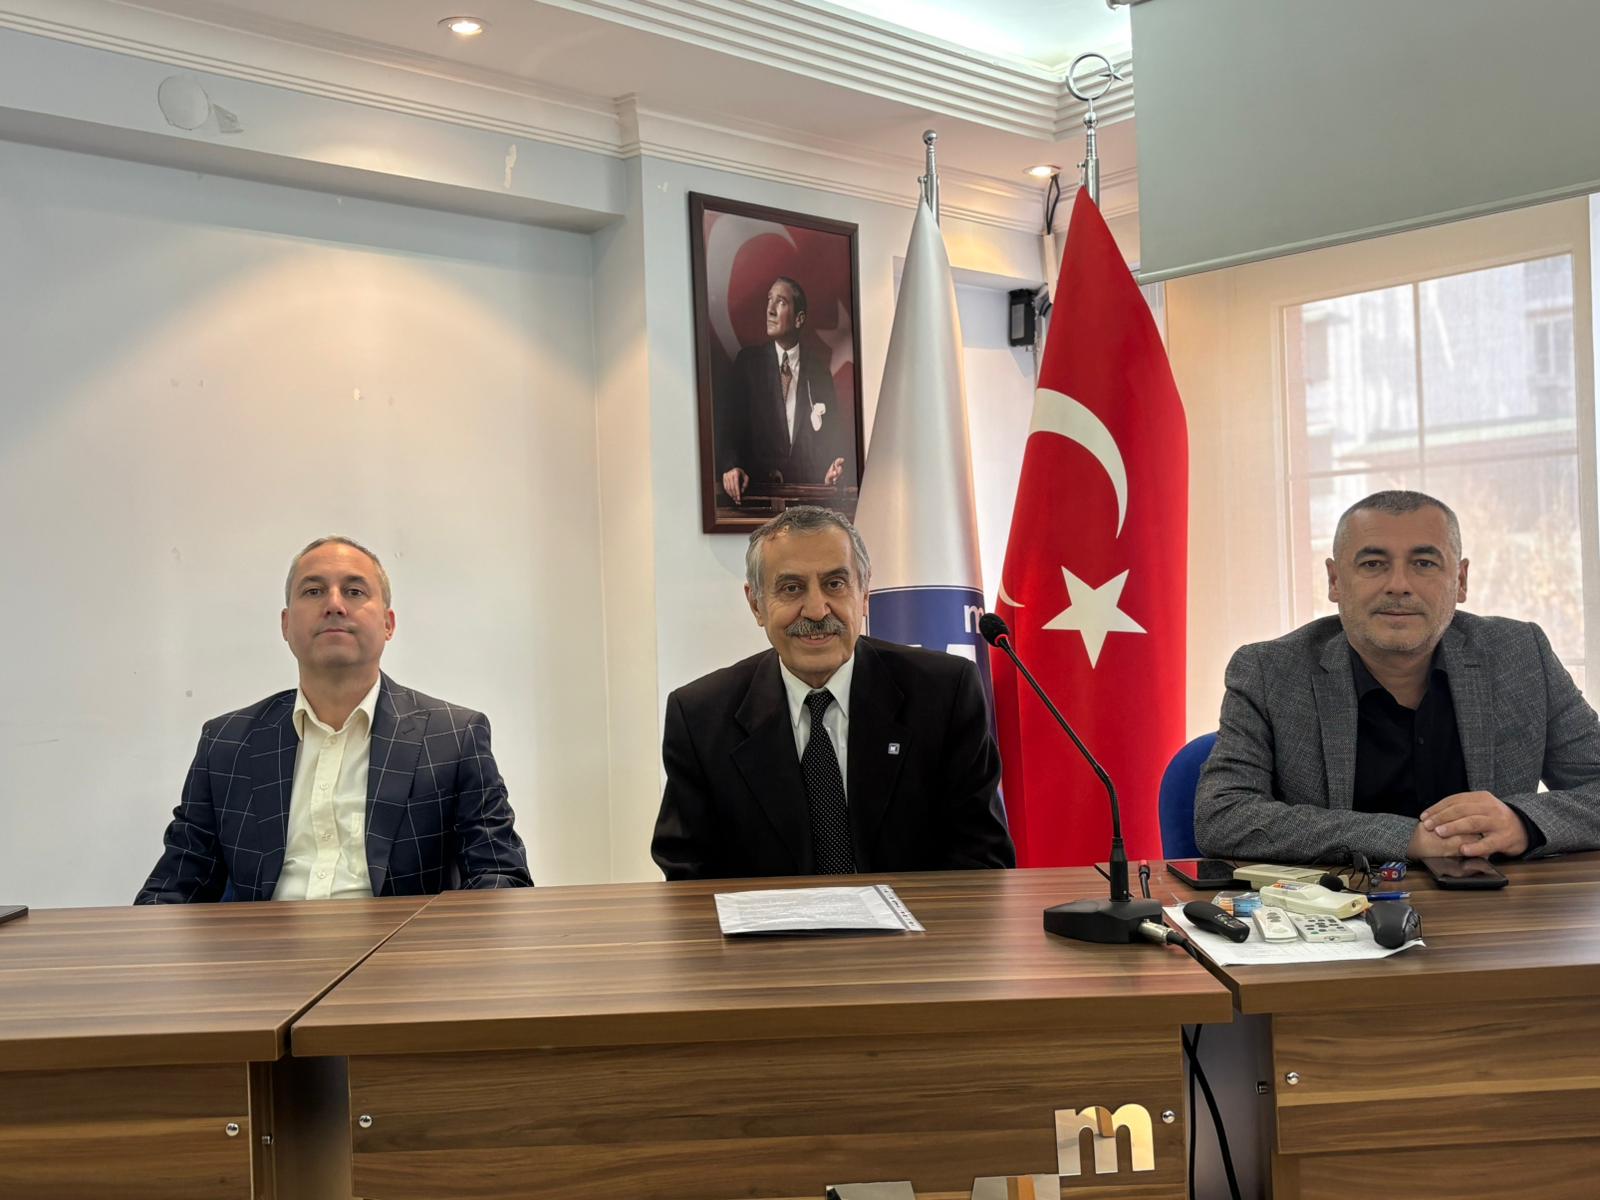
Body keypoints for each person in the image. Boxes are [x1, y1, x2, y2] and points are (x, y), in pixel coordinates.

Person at [1195, 491, 1600, 864]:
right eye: (1373, 564)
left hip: (1500, 909)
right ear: (1335, 581)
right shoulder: (1269, 671)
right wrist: (1405, 839)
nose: (1399, 585)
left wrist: (1521, 822)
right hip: (1338, 910)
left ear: (1460, 581)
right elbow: (1223, 817)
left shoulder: (1520, 655)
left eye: (1424, 563)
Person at [136, 536, 531, 902]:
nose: (334, 605)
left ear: (388, 624)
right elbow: (174, 886)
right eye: (313, 591)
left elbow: (500, 876)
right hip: (263, 950)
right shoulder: (226, 742)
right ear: (286, 624)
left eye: (355, 591)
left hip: (403, 951)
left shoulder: (453, 737)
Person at [652, 505, 1014, 879]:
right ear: (756, 603)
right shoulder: (700, 717)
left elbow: (983, 860)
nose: (815, 610)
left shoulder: (944, 694)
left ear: (864, 592)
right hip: (771, 920)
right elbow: (686, 875)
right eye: (791, 588)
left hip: (917, 918)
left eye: (835, 584)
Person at [718, 276, 848, 505]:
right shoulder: (748, 364)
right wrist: (731, 466)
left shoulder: (819, 373)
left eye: (780, 302)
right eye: (769, 300)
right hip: (756, 501)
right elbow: (728, 428)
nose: (770, 310)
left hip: (804, 505)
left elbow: (830, 439)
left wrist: (829, 473)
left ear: (799, 319)